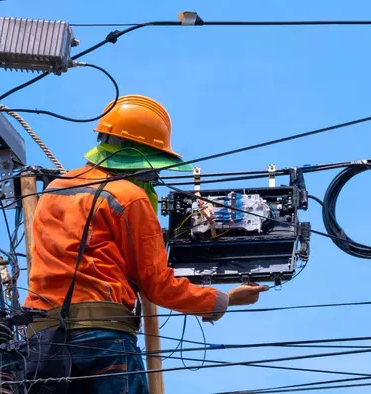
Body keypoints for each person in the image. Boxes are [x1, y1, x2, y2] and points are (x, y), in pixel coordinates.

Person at [22, 94, 269, 393]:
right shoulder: (129, 197)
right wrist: (223, 300)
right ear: (144, 157)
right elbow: (157, 286)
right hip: (103, 339)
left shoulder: (54, 190)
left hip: (42, 339)